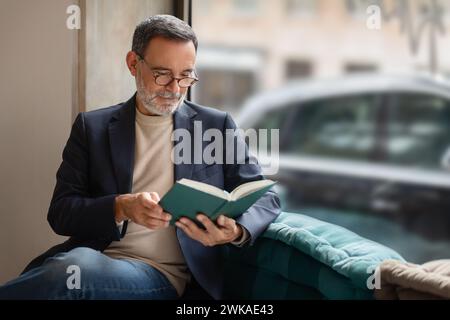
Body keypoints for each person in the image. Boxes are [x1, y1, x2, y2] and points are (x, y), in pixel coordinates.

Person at [0, 14, 280, 300]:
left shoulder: (214, 126)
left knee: (74, 270)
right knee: (73, 267)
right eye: (162, 74)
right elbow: (61, 214)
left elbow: (265, 197)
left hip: (163, 275)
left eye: (186, 75)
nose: (174, 88)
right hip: (96, 258)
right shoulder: (92, 127)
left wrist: (235, 231)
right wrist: (120, 207)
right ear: (133, 64)